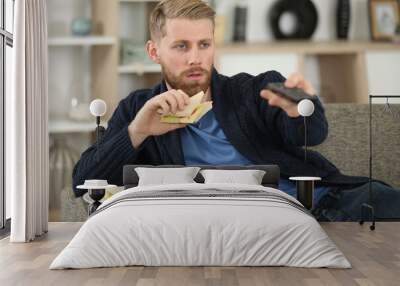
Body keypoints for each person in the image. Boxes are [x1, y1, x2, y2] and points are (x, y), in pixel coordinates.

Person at [73, 0, 400, 221]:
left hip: (317, 208)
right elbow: (83, 180)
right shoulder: (137, 108)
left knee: (385, 200)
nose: (195, 58)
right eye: (181, 46)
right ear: (153, 51)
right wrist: (137, 132)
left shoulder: (253, 90)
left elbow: (313, 135)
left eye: (204, 44)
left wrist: (303, 109)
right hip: (232, 221)